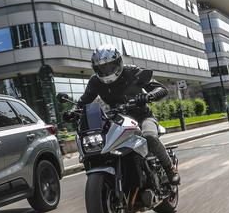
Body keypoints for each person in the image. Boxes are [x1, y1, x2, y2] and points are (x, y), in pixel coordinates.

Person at [63, 44, 179, 185]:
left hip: (142, 117)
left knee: (149, 136)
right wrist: (73, 111)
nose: (106, 71)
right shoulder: (95, 81)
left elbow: (161, 89)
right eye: (102, 68)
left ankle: (170, 168)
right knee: (104, 148)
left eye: (109, 66)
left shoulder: (132, 72)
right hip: (117, 121)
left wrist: (148, 96)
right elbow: (83, 101)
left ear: (118, 63)